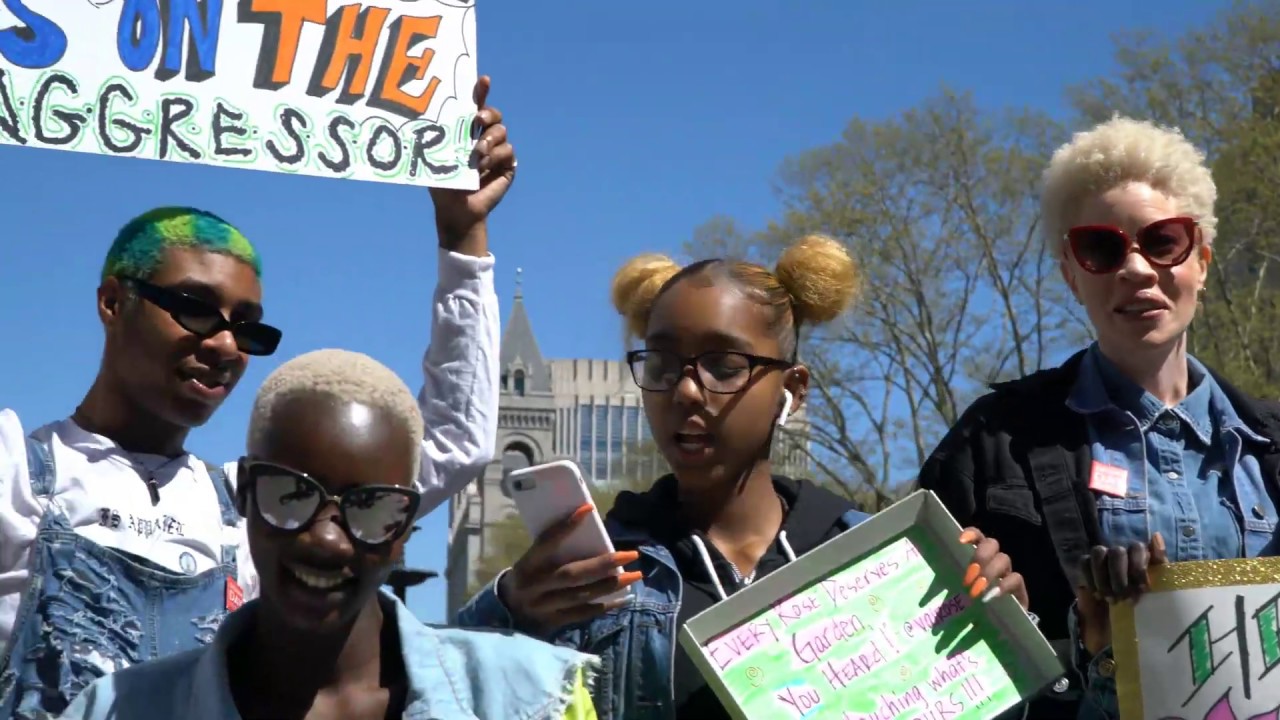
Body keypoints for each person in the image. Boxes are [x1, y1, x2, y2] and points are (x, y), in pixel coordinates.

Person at [0, 77, 515, 719]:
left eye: (249, 328)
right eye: (194, 309)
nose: (224, 345)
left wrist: (462, 239)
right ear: (112, 302)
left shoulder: (257, 508)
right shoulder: (17, 474)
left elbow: (452, 443)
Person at [459, 235, 1034, 719]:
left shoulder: (881, 559)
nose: (686, 390)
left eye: (723, 366)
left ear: (793, 390)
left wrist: (999, 629)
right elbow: (449, 691)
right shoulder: (600, 571)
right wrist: (509, 613)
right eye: (660, 365)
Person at [917, 117, 1280, 720]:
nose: (1136, 269)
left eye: (1163, 241)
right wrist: (1005, 613)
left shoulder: (1269, 442)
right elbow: (924, 656)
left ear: (1203, 262)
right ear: (1070, 273)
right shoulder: (993, 441)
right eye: (1102, 248)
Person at [57, 349, 599, 720]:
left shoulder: (533, 699)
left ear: (405, 527)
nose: (328, 540)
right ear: (244, 492)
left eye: (370, 507)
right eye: (291, 494)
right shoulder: (114, 709)